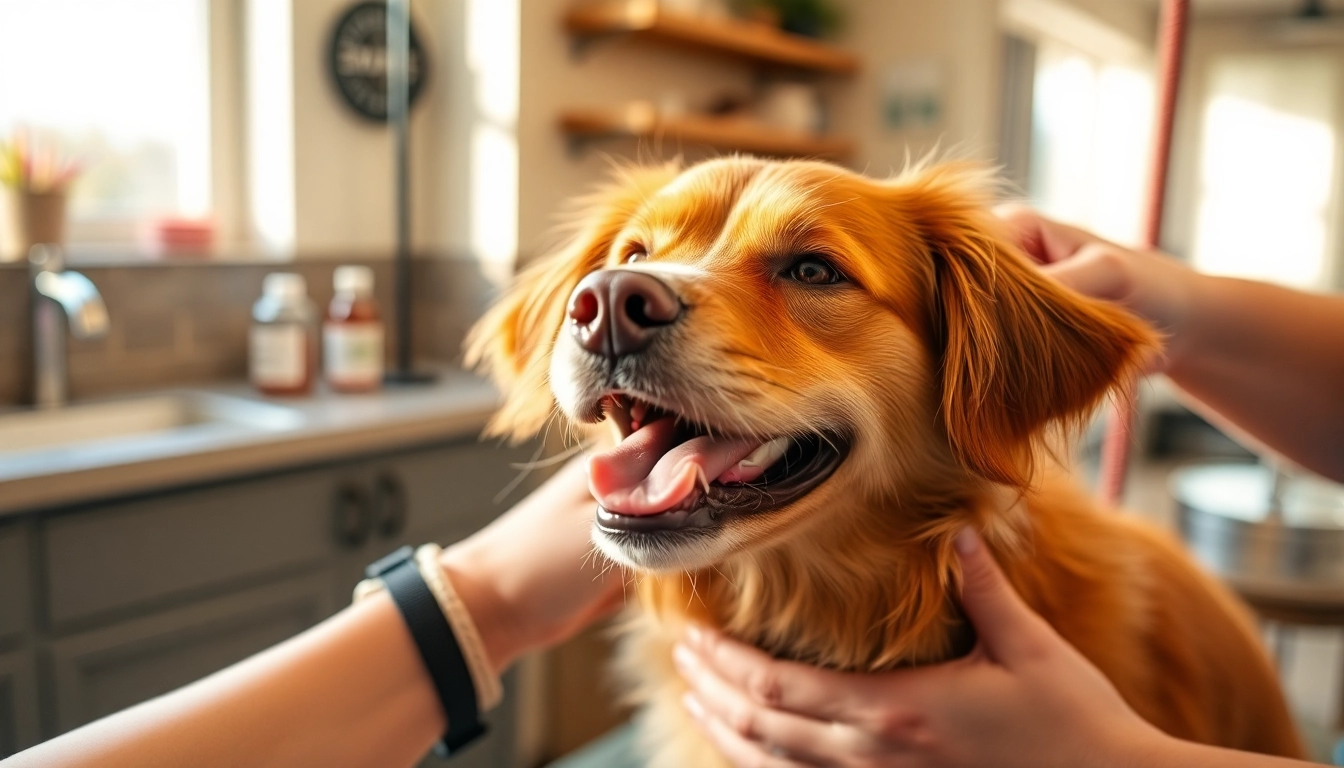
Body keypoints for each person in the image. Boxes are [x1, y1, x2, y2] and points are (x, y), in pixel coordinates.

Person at [8, 210, 1343, 768]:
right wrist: (473, 605)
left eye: (809, 266)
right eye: (643, 264)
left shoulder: (1114, 647)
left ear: (971, 380)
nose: (639, 296)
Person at [674, 208, 1344, 768]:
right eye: (637, 252)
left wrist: (1105, 757)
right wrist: (1186, 303)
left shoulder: (1114, 626)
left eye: (812, 269)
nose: (636, 289)